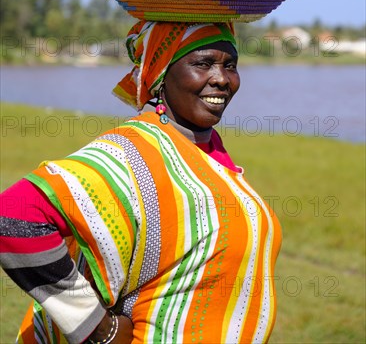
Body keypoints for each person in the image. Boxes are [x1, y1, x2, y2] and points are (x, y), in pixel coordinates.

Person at [0, 20, 282, 344]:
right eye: (202, 63)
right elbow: (13, 215)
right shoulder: (133, 151)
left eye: (230, 65)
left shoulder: (206, 150)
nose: (221, 79)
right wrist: (100, 330)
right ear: (161, 73)